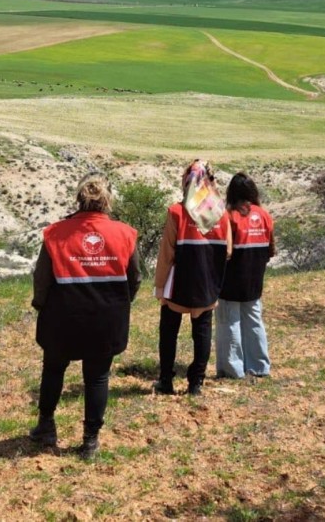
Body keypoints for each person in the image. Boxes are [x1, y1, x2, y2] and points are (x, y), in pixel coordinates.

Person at [30, 173, 141, 459]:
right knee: (97, 377)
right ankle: (90, 440)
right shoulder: (126, 233)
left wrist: (40, 305)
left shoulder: (55, 233)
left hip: (63, 316)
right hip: (107, 318)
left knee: (54, 368)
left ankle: (46, 426)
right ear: (107, 202)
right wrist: (121, 303)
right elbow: (135, 278)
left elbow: (42, 278)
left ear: (79, 199)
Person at [153, 160, 231, 396]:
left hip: (179, 283)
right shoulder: (220, 214)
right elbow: (228, 251)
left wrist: (159, 284)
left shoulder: (176, 212)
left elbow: (167, 253)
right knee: (202, 331)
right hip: (207, 282)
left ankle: (166, 380)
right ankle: (195, 383)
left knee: (169, 331)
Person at [215, 173, 276, 380]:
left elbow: (223, 249)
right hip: (255, 278)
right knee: (254, 320)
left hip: (231, 279)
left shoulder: (229, 215)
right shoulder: (264, 215)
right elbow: (271, 249)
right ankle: (259, 365)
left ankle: (232, 368)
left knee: (228, 322)